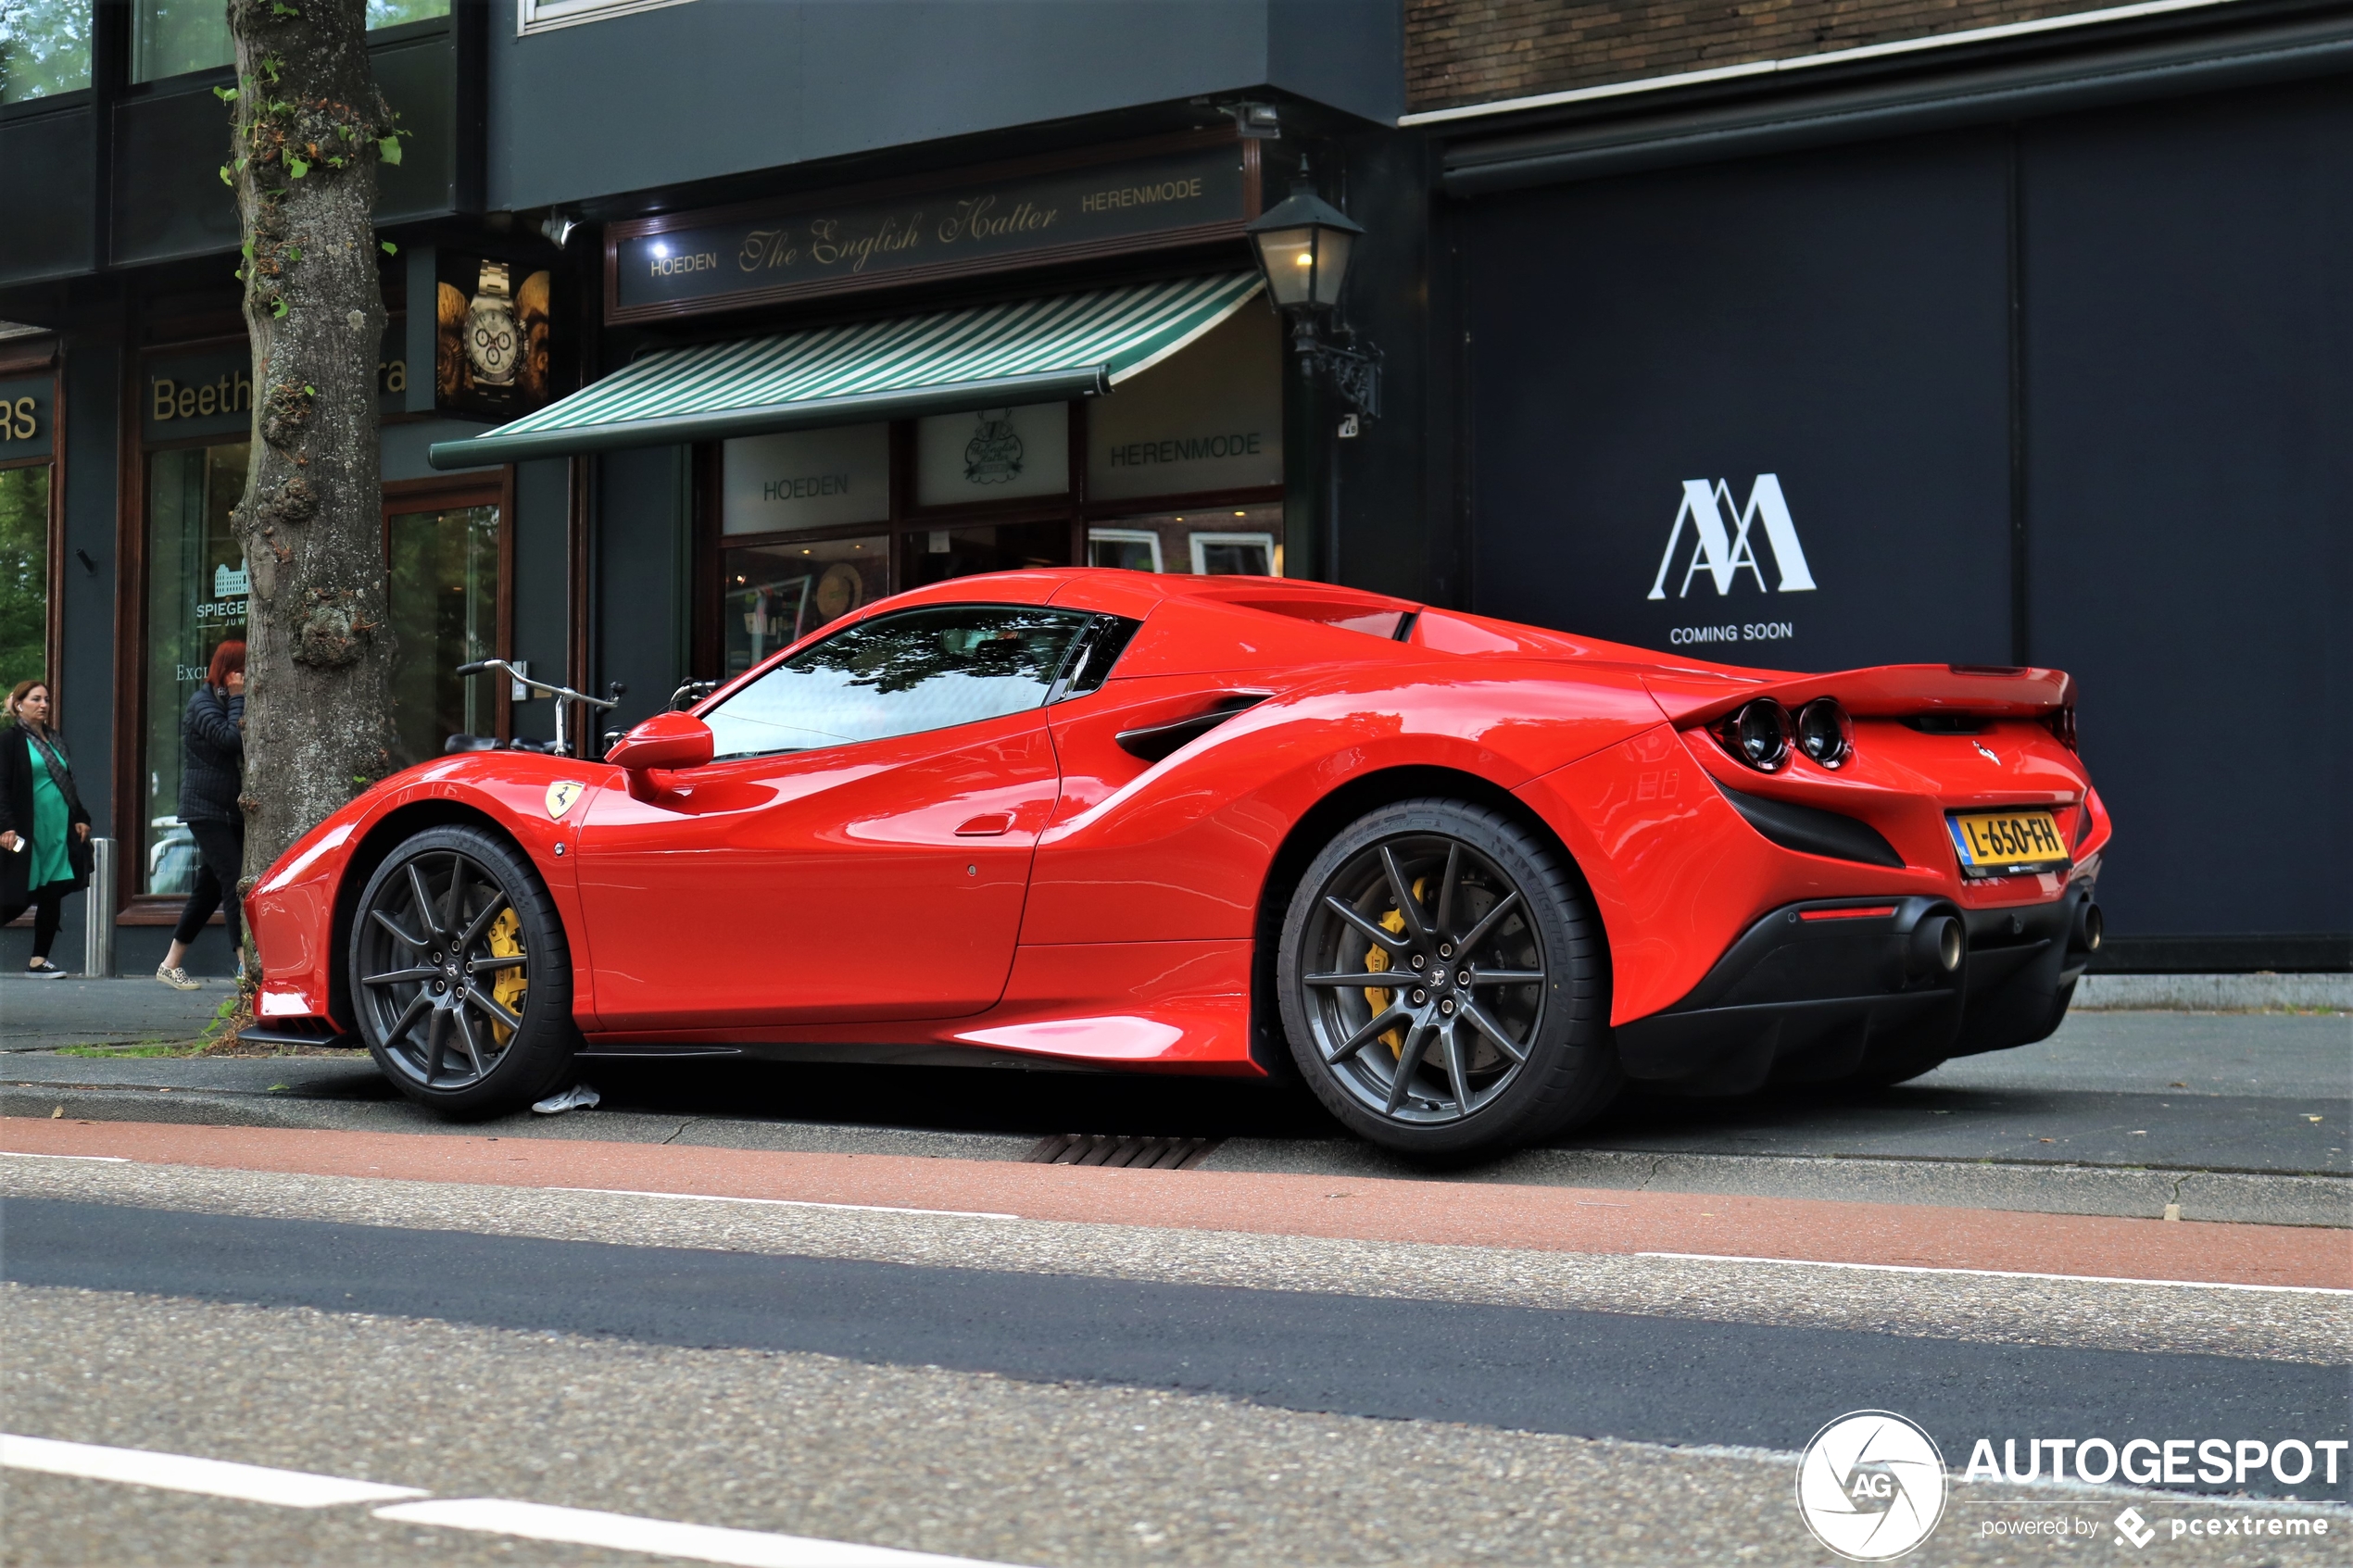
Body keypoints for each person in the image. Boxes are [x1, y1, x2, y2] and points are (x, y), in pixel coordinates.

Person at [157, 642, 245, 991]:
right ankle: (246, 964)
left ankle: (170, 964)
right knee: (235, 879)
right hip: (206, 809)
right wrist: (238, 698)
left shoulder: (225, 700)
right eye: (243, 668)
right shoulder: (202, 702)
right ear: (228, 671)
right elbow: (230, 739)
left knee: (208, 889)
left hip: (228, 809)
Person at [0, 680, 94, 977]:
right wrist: (6, 826)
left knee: (53, 892)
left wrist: (81, 817)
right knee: (14, 895)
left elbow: (67, 783)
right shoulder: (10, 740)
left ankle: (39, 960)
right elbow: (0, 787)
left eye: (47, 700)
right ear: (19, 704)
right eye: (36, 699)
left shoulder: (54, 740)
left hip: (58, 830)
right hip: (26, 830)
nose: (43, 705)